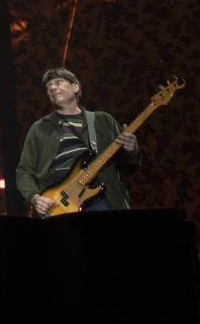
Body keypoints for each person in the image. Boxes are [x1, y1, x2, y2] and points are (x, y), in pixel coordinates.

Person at [16, 67, 140, 217]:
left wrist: (132, 150)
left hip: (101, 201)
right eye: (49, 87)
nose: (53, 88)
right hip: (58, 205)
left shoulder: (102, 120)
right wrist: (34, 198)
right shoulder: (39, 128)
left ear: (75, 87)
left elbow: (128, 168)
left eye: (58, 82)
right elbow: (24, 172)